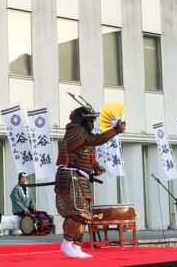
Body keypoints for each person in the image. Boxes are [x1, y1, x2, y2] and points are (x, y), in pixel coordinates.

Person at [55, 103, 125, 258]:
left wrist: (95, 167)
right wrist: (115, 130)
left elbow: (87, 155)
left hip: (81, 178)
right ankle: (66, 243)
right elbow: (96, 140)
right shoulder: (75, 132)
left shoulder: (84, 136)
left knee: (85, 215)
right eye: (89, 120)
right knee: (77, 213)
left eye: (93, 120)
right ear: (80, 120)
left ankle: (76, 246)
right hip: (71, 177)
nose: (92, 124)